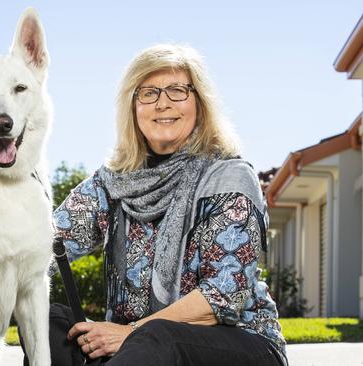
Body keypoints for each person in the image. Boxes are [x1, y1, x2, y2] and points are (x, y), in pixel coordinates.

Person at [26, 44, 287, 366]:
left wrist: (130, 331)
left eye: (177, 91)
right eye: (148, 93)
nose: (163, 103)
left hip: (240, 344)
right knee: (44, 320)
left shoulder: (228, 178)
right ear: (133, 107)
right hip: (139, 347)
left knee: (157, 336)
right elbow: (43, 245)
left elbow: (225, 294)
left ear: (200, 104)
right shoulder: (111, 183)